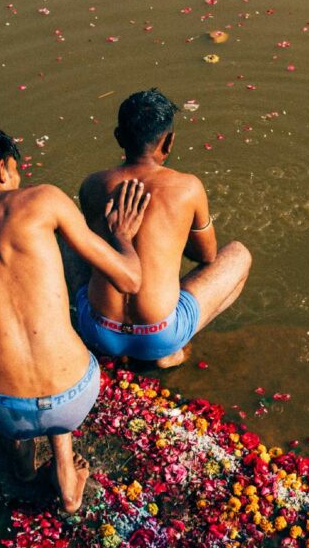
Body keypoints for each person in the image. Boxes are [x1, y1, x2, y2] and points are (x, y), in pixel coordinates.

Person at [0, 121, 150, 513]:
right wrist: (122, 236)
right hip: (74, 396)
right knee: (60, 298)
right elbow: (130, 279)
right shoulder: (44, 201)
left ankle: (22, 463)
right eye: (16, 169)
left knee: (1, 348)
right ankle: (65, 472)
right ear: (2, 168)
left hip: (1, 409)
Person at [74, 88, 252, 368]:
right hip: (159, 335)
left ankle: (118, 348)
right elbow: (207, 255)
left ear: (119, 138)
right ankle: (171, 351)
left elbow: (95, 254)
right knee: (239, 255)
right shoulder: (187, 187)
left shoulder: (92, 185)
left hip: (98, 329)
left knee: (73, 237)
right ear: (169, 142)